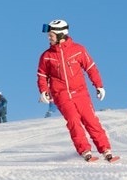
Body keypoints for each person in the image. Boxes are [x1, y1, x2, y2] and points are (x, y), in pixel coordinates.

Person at [36, 19, 116, 162]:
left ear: (61, 35)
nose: (49, 38)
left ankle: (105, 149)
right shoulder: (46, 56)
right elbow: (42, 75)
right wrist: (43, 91)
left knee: (90, 120)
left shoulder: (78, 49)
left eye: (51, 35)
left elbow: (91, 68)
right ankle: (85, 150)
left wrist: (99, 86)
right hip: (61, 95)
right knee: (73, 121)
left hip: (80, 93)